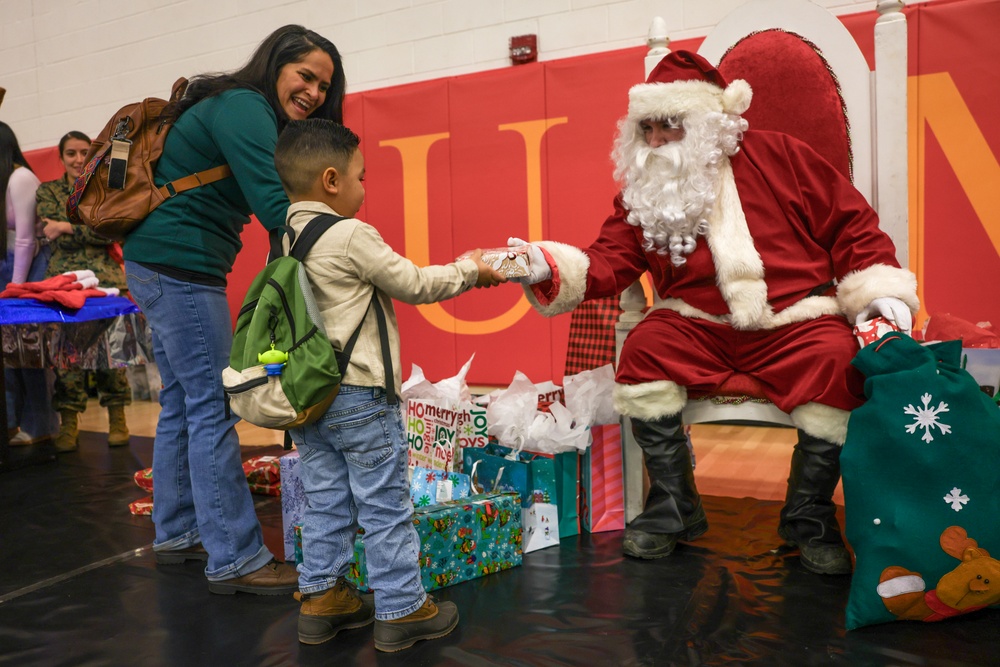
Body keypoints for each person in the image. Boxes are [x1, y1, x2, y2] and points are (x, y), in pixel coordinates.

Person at [509, 51, 919, 575]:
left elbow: (851, 225)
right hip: (695, 322)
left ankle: (808, 515)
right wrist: (548, 267)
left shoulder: (784, 157)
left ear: (708, 124)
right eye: (647, 127)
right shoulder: (643, 192)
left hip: (794, 318)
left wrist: (877, 289)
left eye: (670, 126)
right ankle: (674, 506)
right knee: (644, 350)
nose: (656, 140)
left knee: (837, 359)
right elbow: (611, 257)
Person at [122, 25, 347, 595]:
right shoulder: (247, 108)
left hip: (161, 263)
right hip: (180, 266)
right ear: (276, 65)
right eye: (306, 76)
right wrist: (343, 252)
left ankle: (176, 533)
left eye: (324, 85)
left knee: (182, 400)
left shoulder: (241, 107)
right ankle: (237, 559)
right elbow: (275, 205)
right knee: (214, 405)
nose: (315, 92)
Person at [273, 118, 505, 651]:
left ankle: (321, 599)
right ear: (331, 180)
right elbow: (416, 284)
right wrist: (470, 269)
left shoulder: (282, 237)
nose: (363, 186)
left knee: (326, 500)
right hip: (359, 397)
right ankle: (402, 609)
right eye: (361, 176)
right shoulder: (349, 234)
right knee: (385, 505)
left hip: (309, 400)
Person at [36, 131, 133, 452]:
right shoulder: (48, 191)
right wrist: (85, 230)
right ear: (61, 157)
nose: (78, 160)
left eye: (83, 153)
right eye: (71, 154)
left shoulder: (105, 189)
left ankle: (118, 419)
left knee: (112, 353)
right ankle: (69, 425)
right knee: (66, 357)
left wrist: (65, 226)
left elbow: (112, 231)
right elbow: (50, 230)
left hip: (106, 282)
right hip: (63, 283)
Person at [1, 120, 59, 445]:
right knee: (7, 352)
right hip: (10, 264)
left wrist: (16, 288)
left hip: (30, 263)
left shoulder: (20, 177)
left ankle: (41, 425)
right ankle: (9, 421)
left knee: (28, 348)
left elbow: (24, 240)